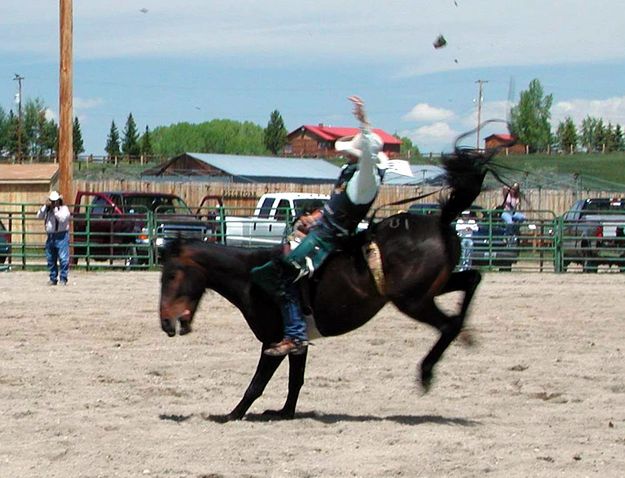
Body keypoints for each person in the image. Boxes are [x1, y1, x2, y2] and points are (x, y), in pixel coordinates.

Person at [251, 96, 410, 356]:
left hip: (328, 238)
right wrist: (315, 219)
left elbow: (369, 155)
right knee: (279, 267)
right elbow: (336, 206)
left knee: (280, 272)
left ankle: (295, 333)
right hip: (325, 230)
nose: (345, 154)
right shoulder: (353, 175)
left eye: (350, 151)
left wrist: (364, 121)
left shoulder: (365, 178)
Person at [37, 191, 71, 286]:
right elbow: (38, 216)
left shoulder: (64, 209)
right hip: (51, 236)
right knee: (51, 258)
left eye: (54, 201)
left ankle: (63, 278)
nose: (53, 203)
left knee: (63, 258)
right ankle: (53, 278)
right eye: (51, 201)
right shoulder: (47, 210)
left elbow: (62, 219)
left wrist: (55, 210)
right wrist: (45, 207)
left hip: (62, 235)